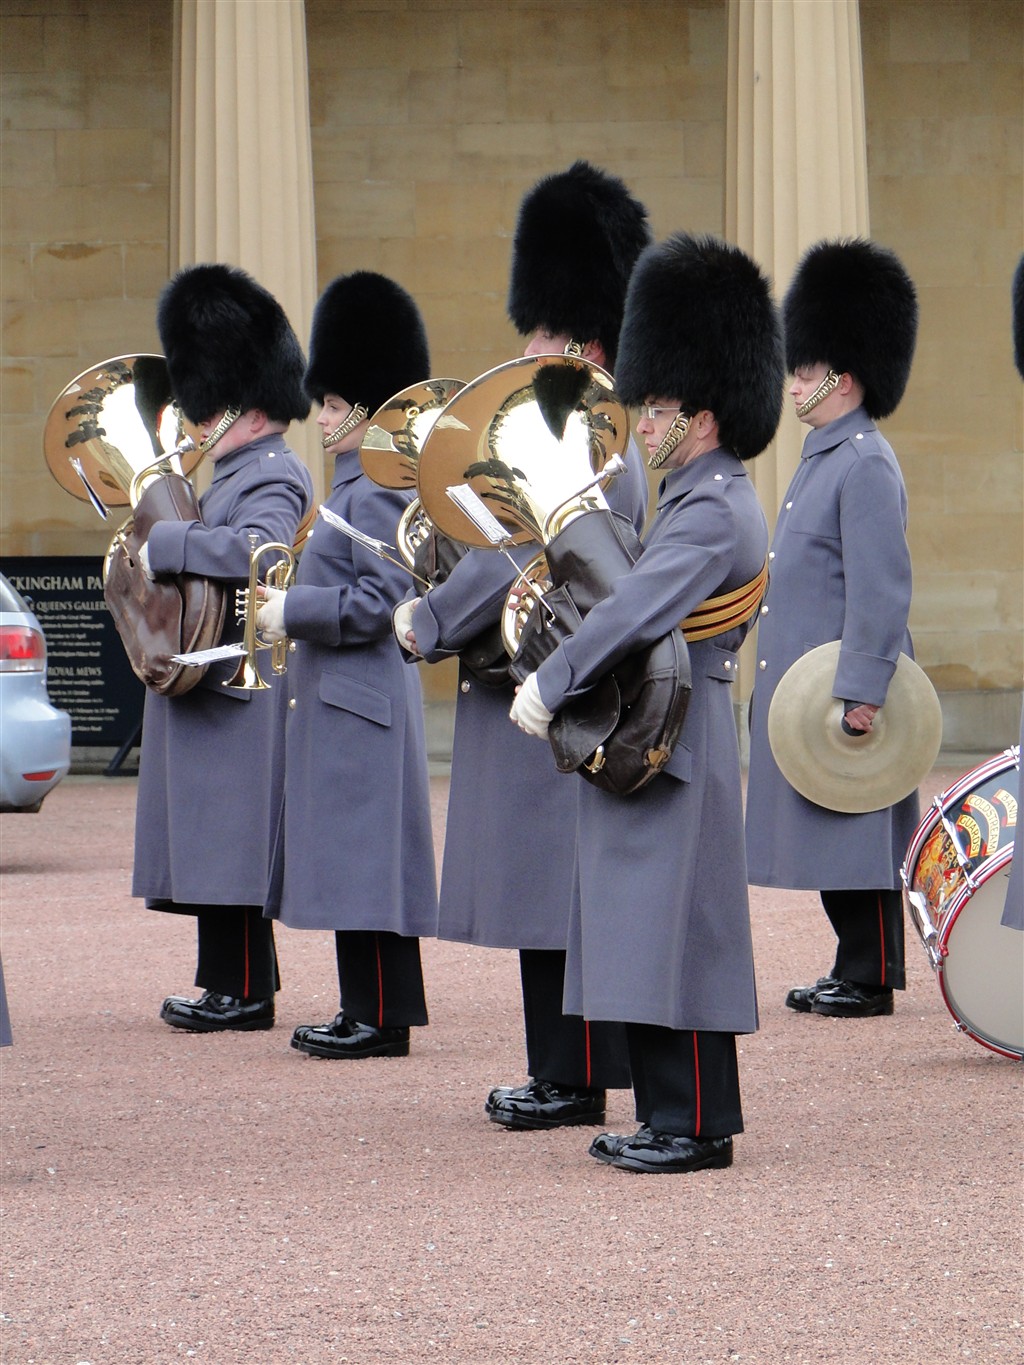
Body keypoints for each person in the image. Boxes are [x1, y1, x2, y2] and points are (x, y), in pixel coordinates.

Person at [509, 232, 783, 1173]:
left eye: (659, 407)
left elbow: (634, 611)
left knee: (685, 932)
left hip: (682, 732)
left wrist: (552, 680)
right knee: (652, 926)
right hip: (670, 724)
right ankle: (671, 1112)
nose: (645, 418)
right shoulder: (694, 493)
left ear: (702, 416)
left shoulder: (710, 507)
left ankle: (695, 1122)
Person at [393, 162, 651, 1129]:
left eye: (540, 331)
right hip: (540, 680)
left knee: (554, 898)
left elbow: (517, 553)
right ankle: (563, 1067)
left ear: (582, 339)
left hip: (559, 687)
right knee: (546, 897)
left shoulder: (586, 436)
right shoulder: (581, 429)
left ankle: (572, 1075)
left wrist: (429, 618)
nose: (526, 346)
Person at [256, 272, 438, 1059]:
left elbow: (384, 601)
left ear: (365, 409)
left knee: (369, 865)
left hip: (365, 696)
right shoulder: (353, 486)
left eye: (333, 404)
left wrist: (291, 610)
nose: (322, 417)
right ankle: (366, 1006)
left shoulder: (377, 491)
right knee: (355, 861)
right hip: (347, 698)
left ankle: (380, 1016)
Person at [134, 263, 314, 1032]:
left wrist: (170, 540)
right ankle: (233, 982)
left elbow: (258, 552)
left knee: (231, 840)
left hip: (239, 680)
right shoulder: (232, 471)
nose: (199, 420)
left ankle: (241, 991)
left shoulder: (272, 473)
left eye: (210, 407)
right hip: (212, 675)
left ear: (249, 407)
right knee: (212, 835)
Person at [744, 238, 921, 1018]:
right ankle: (853, 963)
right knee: (830, 826)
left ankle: (872, 973)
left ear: (841, 378)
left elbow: (881, 589)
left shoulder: (864, 462)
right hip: (811, 682)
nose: (793, 383)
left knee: (859, 828)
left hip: (846, 684)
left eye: (805, 370)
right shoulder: (826, 457)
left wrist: (863, 689)